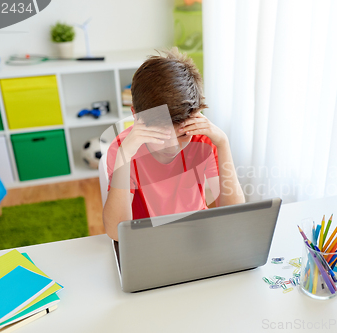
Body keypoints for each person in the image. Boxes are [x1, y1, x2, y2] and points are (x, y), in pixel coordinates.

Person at [103, 47, 245, 241]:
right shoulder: (124, 149)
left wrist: (223, 143)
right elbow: (117, 233)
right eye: (159, 135)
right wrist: (123, 157)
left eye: (182, 135)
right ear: (136, 115)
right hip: (147, 239)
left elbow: (235, 215)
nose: (172, 146)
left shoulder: (203, 140)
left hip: (195, 236)